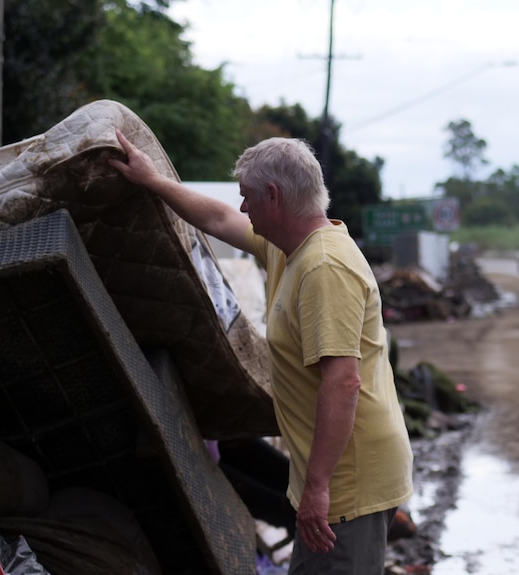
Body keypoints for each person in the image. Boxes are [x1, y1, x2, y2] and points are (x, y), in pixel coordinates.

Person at [109, 130, 413, 574]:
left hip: (351, 480)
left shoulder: (325, 267)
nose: (244, 208)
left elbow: (343, 381)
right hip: (339, 474)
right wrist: (154, 181)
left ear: (274, 196)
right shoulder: (289, 248)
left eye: (248, 197)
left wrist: (318, 489)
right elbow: (217, 219)